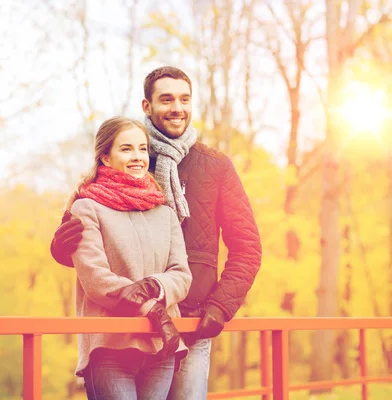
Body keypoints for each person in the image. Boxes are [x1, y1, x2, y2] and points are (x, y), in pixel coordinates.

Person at [52, 67, 262, 400]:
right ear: (147, 106)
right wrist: (61, 248)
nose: (177, 107)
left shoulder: (215, 165)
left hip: (192, 323)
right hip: (129, 324)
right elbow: (90, 246)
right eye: (166, 99)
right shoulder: (131, 154)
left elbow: (247, 247)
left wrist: (220, 308)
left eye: (184, 99)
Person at [67, 116, 192, 400]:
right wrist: (151, 307)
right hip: (112, 346)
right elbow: (96, 279)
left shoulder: (165, 213)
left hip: (161, 344)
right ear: (106, 159)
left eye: (142, 149)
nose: (137, 157)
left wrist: (152, 287)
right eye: (126, 149)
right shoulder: (87, 208)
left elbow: (181, 275)